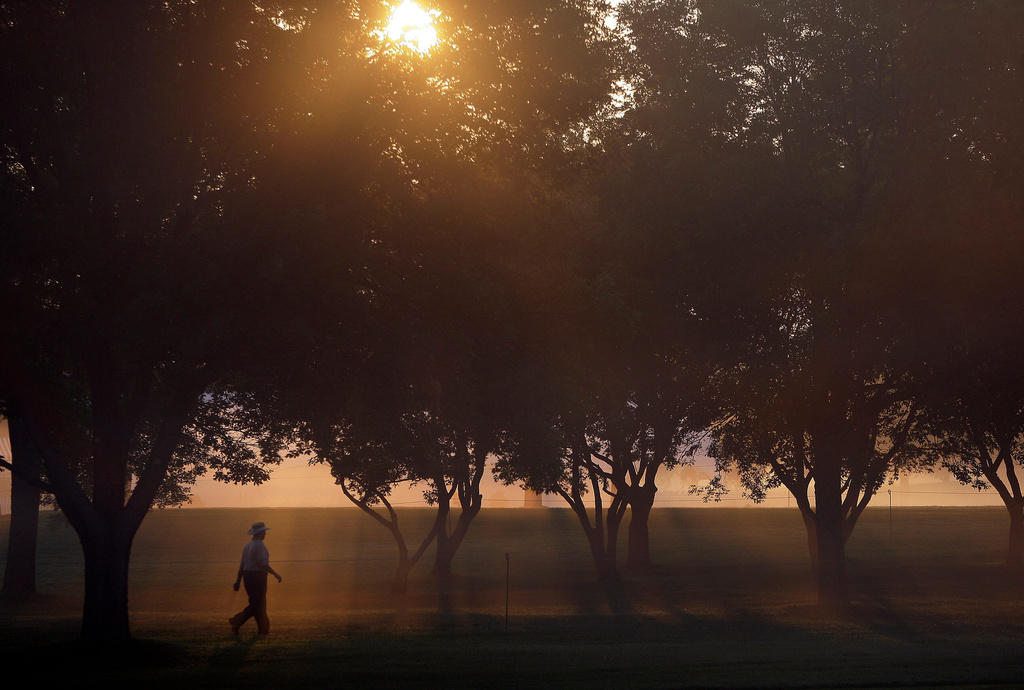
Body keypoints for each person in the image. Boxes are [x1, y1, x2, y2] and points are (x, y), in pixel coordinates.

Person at [229, 521, 282, 635]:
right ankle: (237, 621)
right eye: (264, 532)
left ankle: (263, 630)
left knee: (256, 604)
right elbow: (264, 565)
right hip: (258, 577)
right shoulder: (260, 546)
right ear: (260, 533)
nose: (265, 534)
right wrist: (275, 574)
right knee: (258, 604)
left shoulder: (248, 546)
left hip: (247, 577)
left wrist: (238, 581)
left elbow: (242, 565)